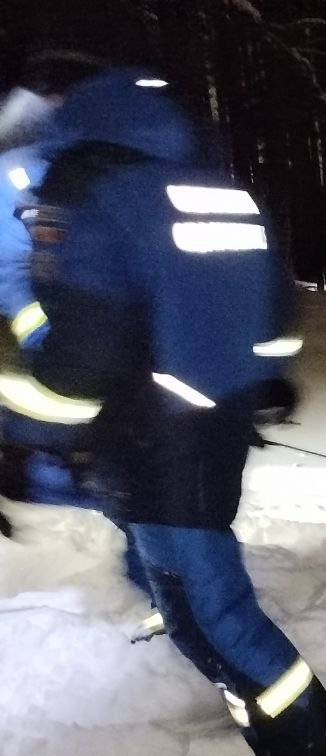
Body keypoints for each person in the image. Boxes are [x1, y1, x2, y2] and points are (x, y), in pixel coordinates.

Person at [4, 64, 326, 756]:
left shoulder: (88, 190)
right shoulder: (216, 188)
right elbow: (278, 304)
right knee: (201, 598)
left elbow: (81, 361)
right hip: (214, 426)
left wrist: (14, 426)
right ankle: (300, 733)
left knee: (210, 615)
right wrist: (265, 378)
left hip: (156, 441)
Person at [0, 51, 158, 629]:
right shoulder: (17, 170)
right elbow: (11, 267)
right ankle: (63, 591)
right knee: (61, 455)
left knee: (132, 469)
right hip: (62, 345)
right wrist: (43, 329)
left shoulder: (123, 158)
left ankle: (152, 593)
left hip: (126, 344)